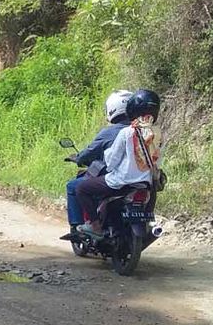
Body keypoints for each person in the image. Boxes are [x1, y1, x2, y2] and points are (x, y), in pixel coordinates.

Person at [75, 89, 162, 237]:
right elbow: (157, 160)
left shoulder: (126, 132)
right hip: (146, 182)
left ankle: (95, 227)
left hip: (121, 182)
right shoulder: (157, 134)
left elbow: (111, 161)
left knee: (82, 188)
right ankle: (147, 221)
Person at [65, 90, 133, 233]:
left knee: (76, 186)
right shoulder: (141, 131)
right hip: (142, 179)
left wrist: (78, 158)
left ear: (112, 108)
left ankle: (88, 226)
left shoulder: (110, 132)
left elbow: (94, 154)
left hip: (117, 179)